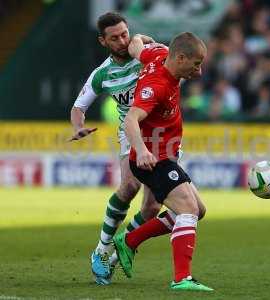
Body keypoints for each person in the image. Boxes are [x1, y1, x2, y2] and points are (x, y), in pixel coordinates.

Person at [69, 12, 175, 285]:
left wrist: (145, 41)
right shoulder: (102, 74)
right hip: (132, 131)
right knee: (129, 186)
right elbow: (78, 107)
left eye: (125, 34)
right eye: (114, 38)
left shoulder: (146, 53)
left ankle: (119, 251)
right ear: (103, 41)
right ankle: (102, 249)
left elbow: (173, 60)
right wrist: (77, 127)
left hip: (163, 133)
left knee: (152, 208)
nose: (122, 40)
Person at [113, 32, 213, 291]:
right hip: (152, 159)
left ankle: (130, 240)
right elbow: (131, 119)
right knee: (188, 210)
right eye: (196, 64)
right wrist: (142, 150)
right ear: (180, 58)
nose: (199, 71)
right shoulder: (156, 85)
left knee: (198, 210)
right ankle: (182, 279)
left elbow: (136, 44)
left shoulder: (156, 55)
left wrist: (141, 37)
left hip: (166, 156)